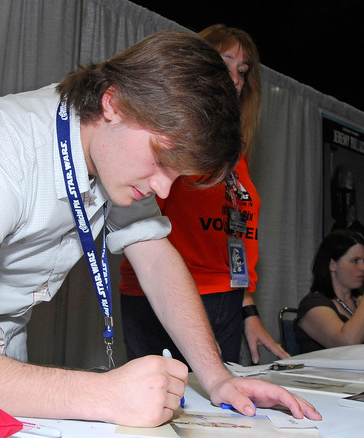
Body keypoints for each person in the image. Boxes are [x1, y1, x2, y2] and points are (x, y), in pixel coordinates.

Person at [0, 30, 321, 427]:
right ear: (113, 103)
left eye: (177, 174)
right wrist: (104, 393)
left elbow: (154, 252)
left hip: (3, 348)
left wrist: (217, 376)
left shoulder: (118, 147)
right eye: (161, 161)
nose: (162, 186)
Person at [118, 24, 288, 367]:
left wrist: (248, 311)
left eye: (242, 71)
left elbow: (235, 237)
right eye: (225, 63)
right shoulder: (172, 136)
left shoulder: (235, 155)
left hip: (226, 299)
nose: (236, 78)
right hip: (169, 298)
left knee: (221, 412)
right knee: (166, 408)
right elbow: (140, 234)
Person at [295, 229, 364, 353]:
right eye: (355, 261)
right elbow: (348, 343)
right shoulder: (313, 304)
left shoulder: (360, 302)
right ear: (333, 264)